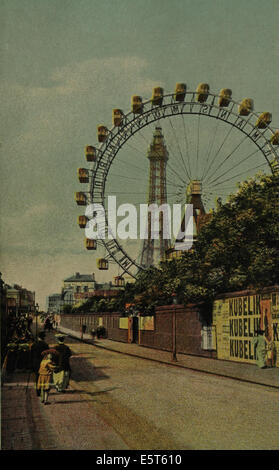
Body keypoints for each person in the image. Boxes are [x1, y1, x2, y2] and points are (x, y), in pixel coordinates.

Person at [30, 332, 49, 396]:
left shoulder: (34, 345)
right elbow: (47, 355)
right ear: (43, 337)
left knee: (37, 376)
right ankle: (42, 390)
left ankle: (38, 391)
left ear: (38, 337)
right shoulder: (45, 345)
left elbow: (31, 355)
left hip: (35, 362)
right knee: (43, 377)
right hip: (43, 362)